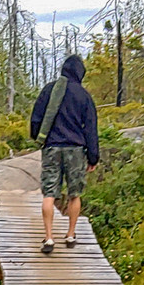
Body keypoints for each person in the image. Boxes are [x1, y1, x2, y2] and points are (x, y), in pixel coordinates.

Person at [29, 51, 99, 254]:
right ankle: (70, 234)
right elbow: (91, 128)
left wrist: (37, 137)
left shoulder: (49, 90)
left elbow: (36, 118)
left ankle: (49, 237)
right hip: (76, 150)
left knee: (49, 193)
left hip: (52, 147)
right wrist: (93, 156)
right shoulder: (84, 96)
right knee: (74, 194)